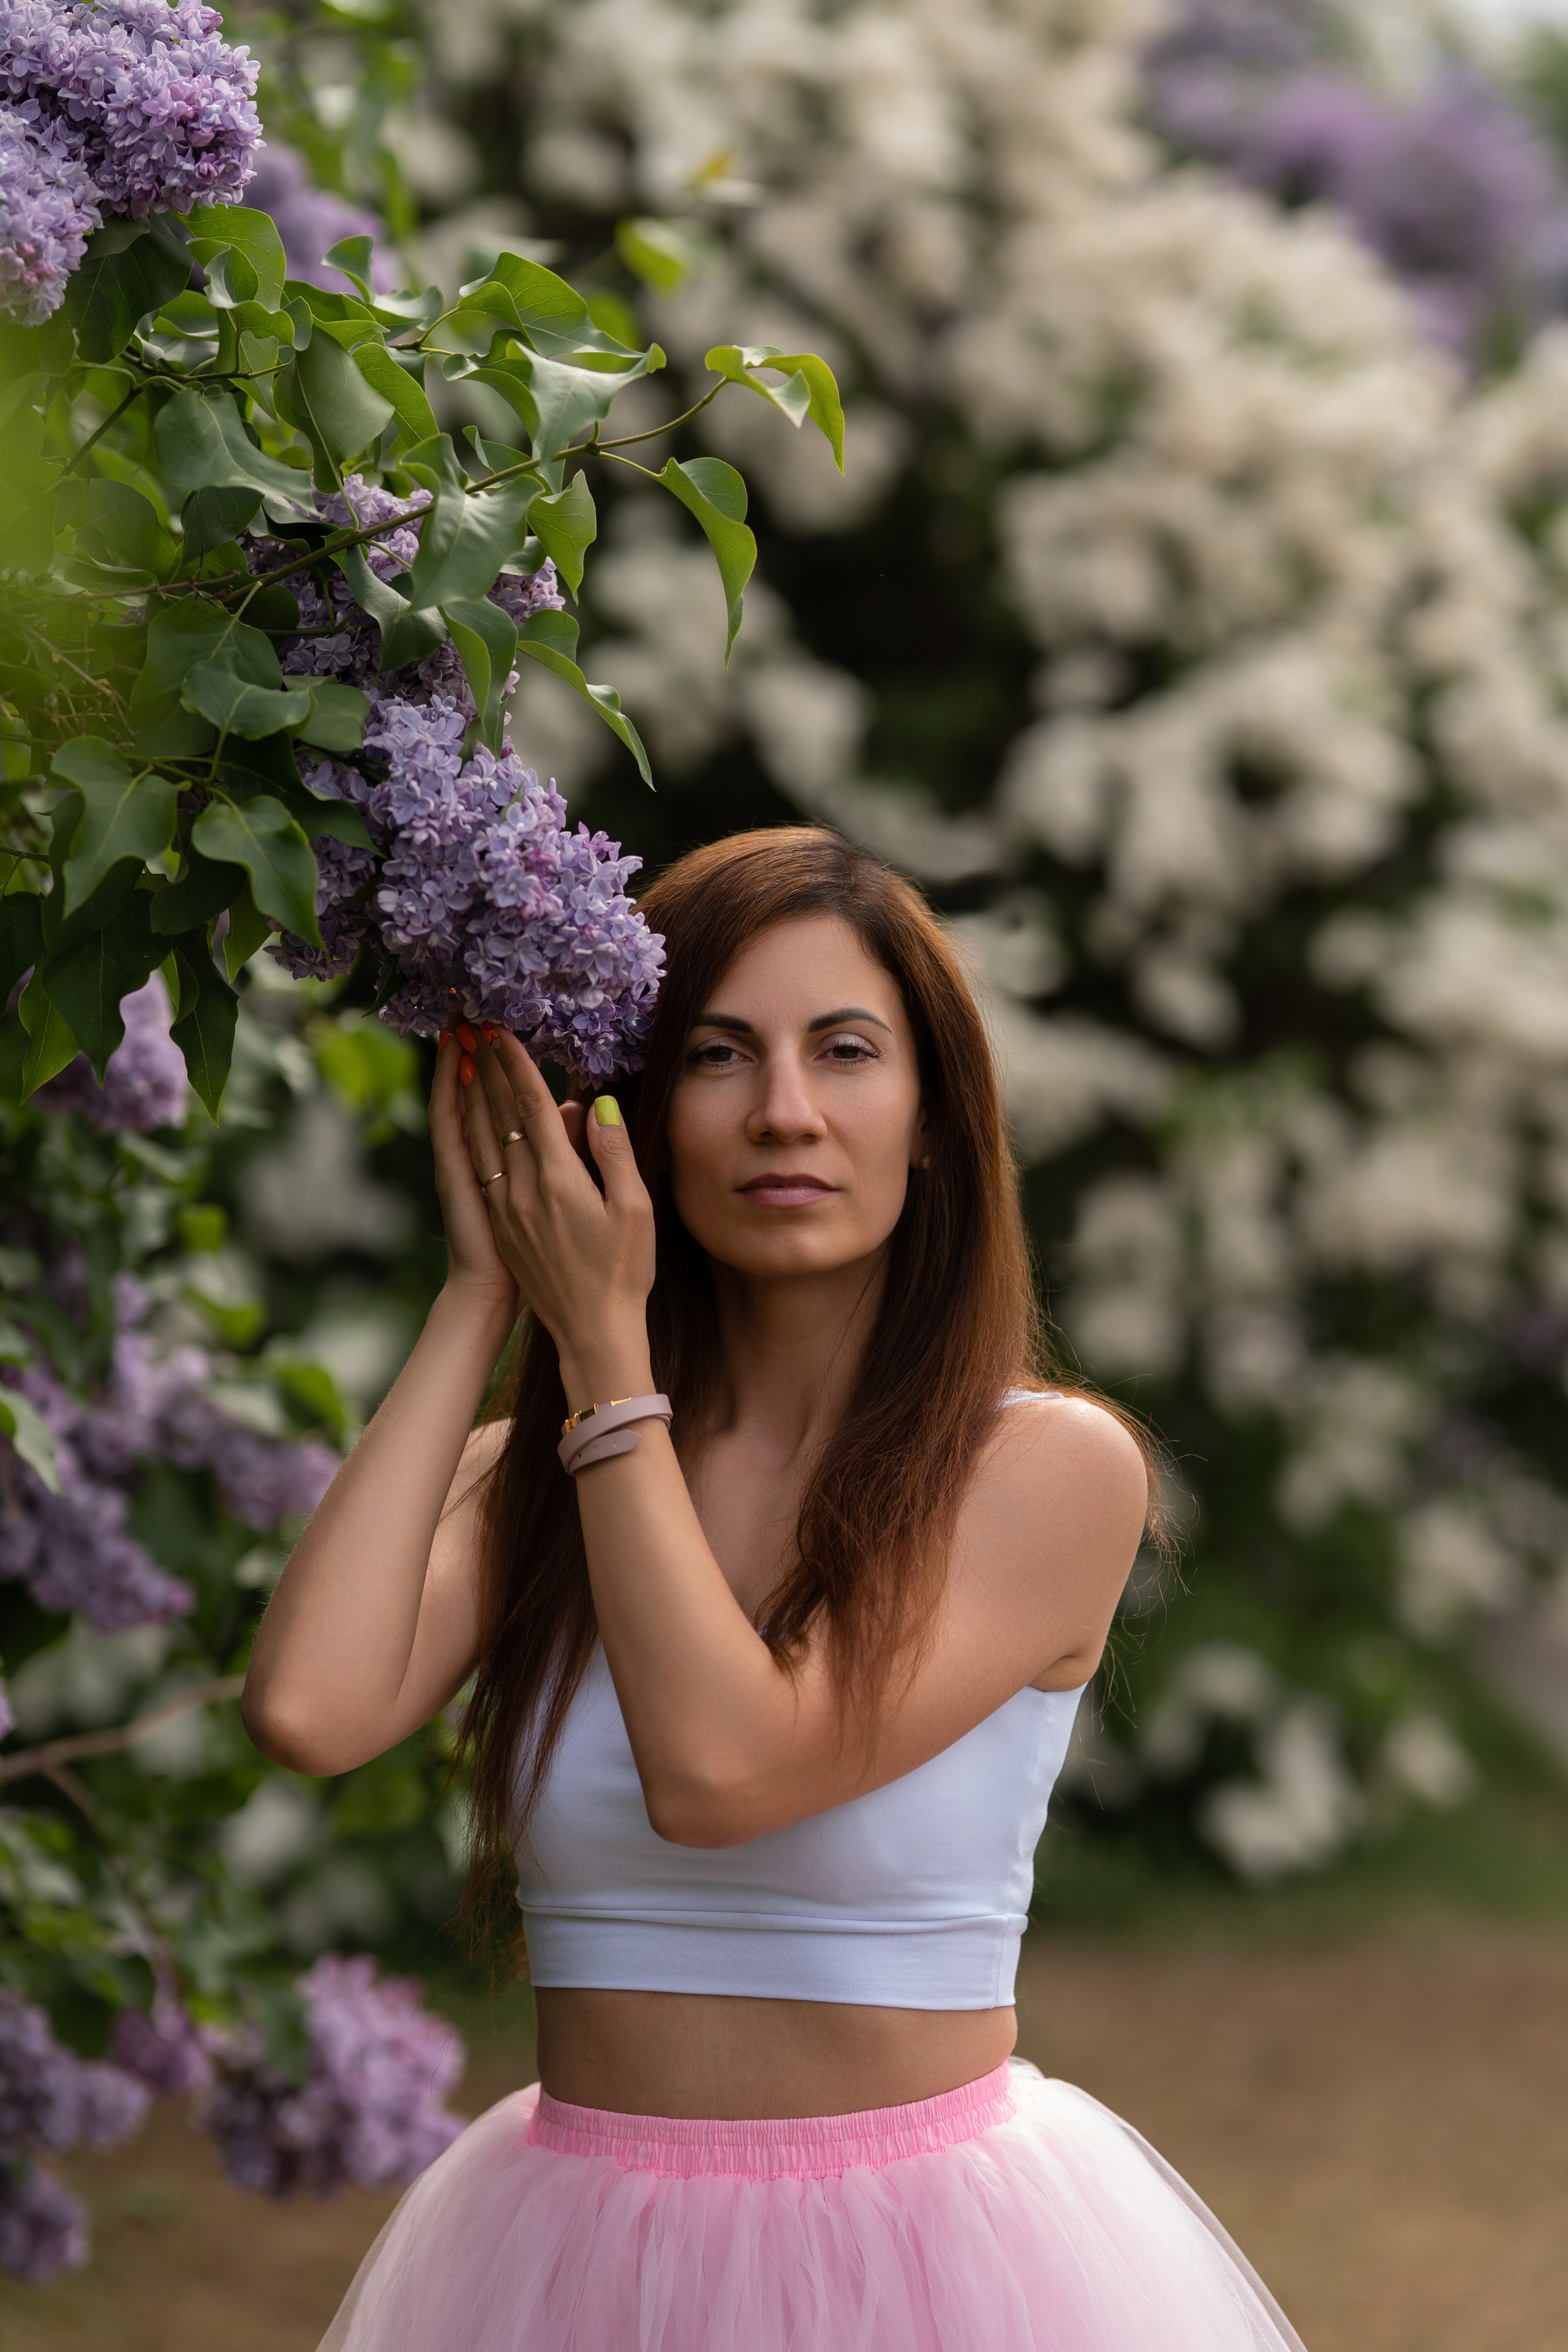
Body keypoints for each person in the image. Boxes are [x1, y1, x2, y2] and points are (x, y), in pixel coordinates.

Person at [243, 827, 1306, 2351]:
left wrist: (605, 1364)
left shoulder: (1048, 1473)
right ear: (640, 1113)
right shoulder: (537, 1472)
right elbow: (306, 1708)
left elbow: (724, 1771)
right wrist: (486, 1287)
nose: (785, 1113)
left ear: (933, 1115)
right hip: (571, 2259)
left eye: (846, 1050)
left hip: (937, 2272)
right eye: (720, 1056)